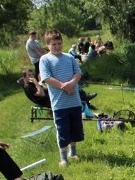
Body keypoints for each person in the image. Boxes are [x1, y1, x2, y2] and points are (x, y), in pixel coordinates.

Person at [39, 29, 85, 168]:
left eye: (59, 43)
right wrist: (64, 86)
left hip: (74, 101)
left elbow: (78, 73)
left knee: (75, 129)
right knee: (63, 130)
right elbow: (46, 78)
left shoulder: (69, 57)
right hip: (60, 104)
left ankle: (73, 152)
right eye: (54, 44)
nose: (57, 46)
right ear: (47, 45)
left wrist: (71, 83)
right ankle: (63, 158)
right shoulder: (45, 59)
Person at [17, 67, 97, 110]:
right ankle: (84, 98)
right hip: (49, 100)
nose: (32, 76)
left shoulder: (29, 83)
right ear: (24, 77)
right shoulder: (28, 86)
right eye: (29, 75)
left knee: (65, 84)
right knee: (65, 87)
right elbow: (41, 94)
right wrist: (36, 83)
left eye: (32, 74)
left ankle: (84, 99)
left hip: (51, 95)